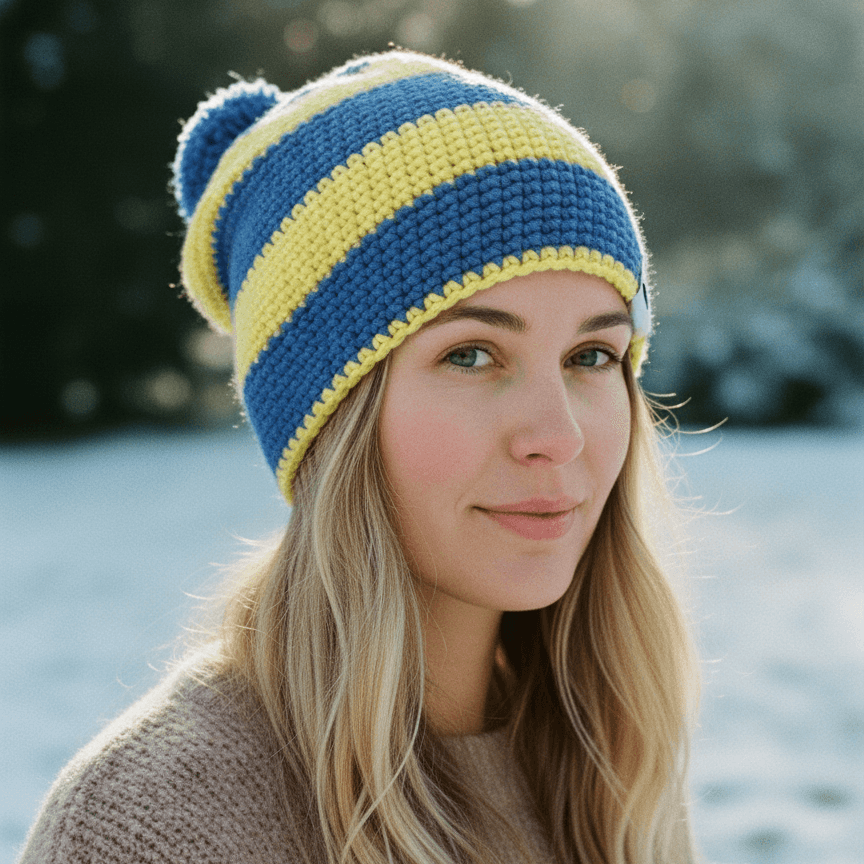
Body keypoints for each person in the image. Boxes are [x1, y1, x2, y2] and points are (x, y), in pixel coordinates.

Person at [18, 50, 700, 864]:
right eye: (471, 355)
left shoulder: (611, 766)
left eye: (592, 357)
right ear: (331, 419)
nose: (559, 435)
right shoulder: (151, 824)